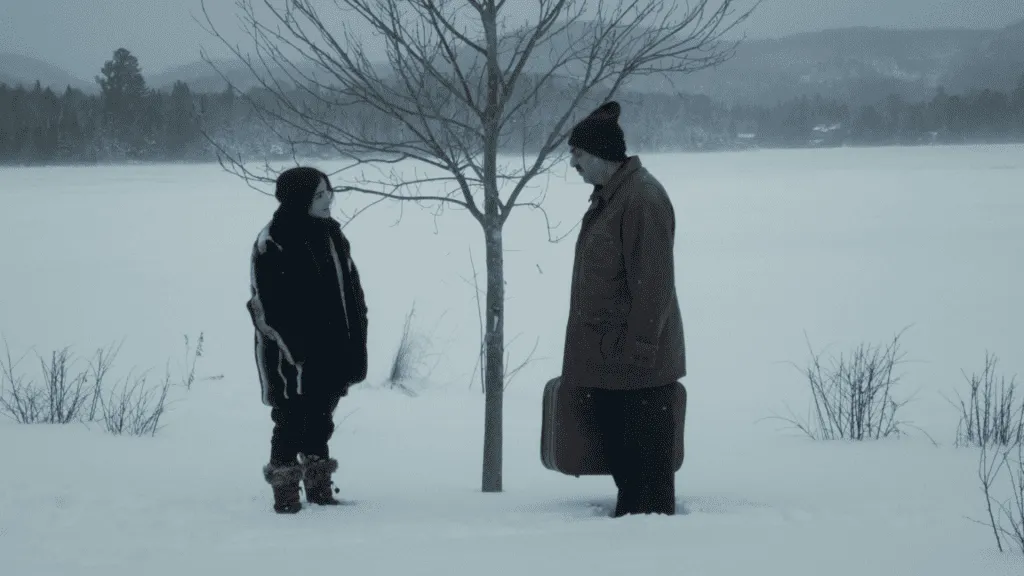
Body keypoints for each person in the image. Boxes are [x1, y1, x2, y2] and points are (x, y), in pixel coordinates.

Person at [561, 101, 687, 517]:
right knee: (630, 486)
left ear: (599, 154)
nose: (573, 163)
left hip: (640, 378)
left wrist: (638, 359)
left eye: (577, 154)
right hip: (616, 371)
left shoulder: (642, 200)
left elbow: (653, 288)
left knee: (646, 500)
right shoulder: (612, 197)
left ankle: (649, 560)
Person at [246, 166, 369, 514]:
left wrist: (357, 335)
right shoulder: (273, 240)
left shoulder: (331, 235)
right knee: (290, 420)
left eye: (329, 192)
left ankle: (318, 486)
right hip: (291, 359)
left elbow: (351, 292)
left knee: (321, 419)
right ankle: (285, 490)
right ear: (299, 199)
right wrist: (299, 352)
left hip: (334, 349)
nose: (327, 200)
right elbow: (268, 309)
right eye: (318, 195)